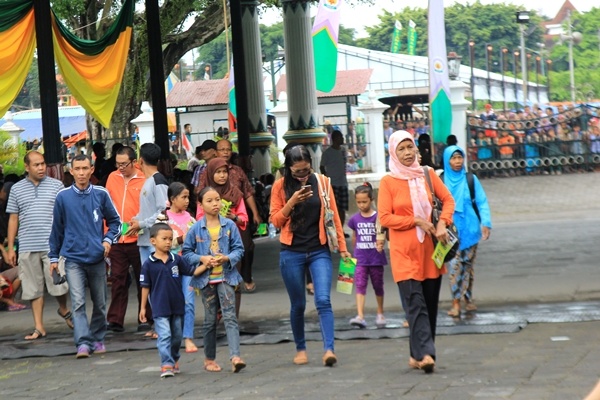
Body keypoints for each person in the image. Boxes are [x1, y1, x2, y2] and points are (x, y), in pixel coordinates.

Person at [378, 131, 455, 373]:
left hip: (431, 252)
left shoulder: (428, 174)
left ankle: (415, 353)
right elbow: (385, 217)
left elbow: (448, 200)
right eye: (401, 149)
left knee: (429, 305)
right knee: (416, 304)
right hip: (404, 254)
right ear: (393, 153)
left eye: (409, 147)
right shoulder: (388, 182)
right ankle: (426, 354)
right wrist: (417, 221)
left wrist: (442, 222)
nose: (407, 153)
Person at [270, 144, 350, 367]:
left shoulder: (322, 182)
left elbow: (333, 217)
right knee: (298, 304)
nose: (303, 176)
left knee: (323, 299)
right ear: (289, 169)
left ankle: (329, 349)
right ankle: (301, 348)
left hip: (319, 250)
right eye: (298, 172)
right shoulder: (279, 186)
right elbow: (275, 220)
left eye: (306, 170)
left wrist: (343, 249)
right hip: (291, 252)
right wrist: (292, 201)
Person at [49, 154, 121, 358]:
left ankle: (97, 338)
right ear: (71, 171)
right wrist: (53, 258)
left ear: (92, 170)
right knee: (78, 302)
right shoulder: (63, 197)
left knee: (100, 302)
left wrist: (107, 240)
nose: (81, 173)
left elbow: (116, 222)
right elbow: (57, 230)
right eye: (77, 169)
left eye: (85, 168)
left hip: (97, 258)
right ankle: (82, 343)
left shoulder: (101, 194)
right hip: (73, 259)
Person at [6, 151, 72, 340]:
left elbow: (64, 215)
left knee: (58, 284)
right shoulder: (17, 189)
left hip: (53, 245)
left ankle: (63, 309)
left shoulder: (57, 186)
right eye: (36, 165)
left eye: (43, 164)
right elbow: (13, 219)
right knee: (33, 288)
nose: (41, 168)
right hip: (27, 244)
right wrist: (11, 248)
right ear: (27, 167)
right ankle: (39, 327)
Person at [183, 186, 246, 373]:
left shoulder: (230, 225)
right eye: (209, 201)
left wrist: (227, 258)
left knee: (230, 317)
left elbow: (239, 250)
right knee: (210, 320)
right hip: (205, 280)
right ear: (200, 204)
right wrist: (202, 259)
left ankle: (235, 357)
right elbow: (186, 253)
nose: (215, 204)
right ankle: (209, 359)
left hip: (226, 277)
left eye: (217, 199)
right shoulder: (195, 229)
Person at [140, 223, 206, 378]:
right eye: (164, 239)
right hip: (159, 307)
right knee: (165, 335)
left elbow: (192, 271)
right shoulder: (148, 264)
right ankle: (166, 364)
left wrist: (206, 264)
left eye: (170, 239)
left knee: (176, 336)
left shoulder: (177, 259)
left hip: (177, 306)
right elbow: (145, 287)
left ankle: (174, 357)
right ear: (153, 241)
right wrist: (143, 308)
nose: (168, 242)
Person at [197, 139, 261, 294]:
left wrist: (254, 213)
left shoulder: (238, 172)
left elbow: (247, 193)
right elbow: (199, 197)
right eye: (222, 149)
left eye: (228, 149)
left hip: (235, 221)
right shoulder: (206, 173)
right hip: (212, 225)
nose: (225, 152)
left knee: (246, 248)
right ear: (215, 152)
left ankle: (242, 279)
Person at [105, 146, 151, 333]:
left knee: (144, 279)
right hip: (116, 237)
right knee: (117, 279)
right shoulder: (112, 177)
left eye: (124, 164)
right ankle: (115, 320)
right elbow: (106, 205)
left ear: (134, 162)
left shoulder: (145, 180)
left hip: (138, 237)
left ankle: (146, 317)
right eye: (118, 164)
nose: (120, 168)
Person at [443, 146, 492, 317]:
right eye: (453, 158)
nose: (457, 162)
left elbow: (482, 202)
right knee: (456, 267)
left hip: (470, 230)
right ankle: (455, 302)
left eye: (459, 158)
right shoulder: (441, 181)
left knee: (468, 267)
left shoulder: (471, 179)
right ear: (447, 160)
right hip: (450, 233)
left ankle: (468, 299)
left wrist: (486, 223)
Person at [196, 157, 248, 315]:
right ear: (211, 174)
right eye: (218, 172)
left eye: (224, 171)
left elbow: (244, 218)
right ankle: (216, 315)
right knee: (212, 282)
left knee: (233, 280)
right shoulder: (204, 195)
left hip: (231, 244)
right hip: (209, 246)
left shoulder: (236, 194)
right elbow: (199, 218)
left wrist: (233, 217)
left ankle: (232, 316)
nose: (222, 175)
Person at [127, 143, 169, 336]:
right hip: (145, 241)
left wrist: (141, 224)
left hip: (154, 241)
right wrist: (137, 220)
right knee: (152, 285)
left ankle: (163, 327)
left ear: (139, 161)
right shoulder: (149, 180)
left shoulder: (158, 180)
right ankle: (159, 326)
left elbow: (163, 212)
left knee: (158, 285)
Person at [162, 182, 197, 353]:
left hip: (188, 265)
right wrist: (185, 238)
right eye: (183, 197)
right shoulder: (163, 218)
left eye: (188, 197)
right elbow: (164, 242)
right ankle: (169, 335)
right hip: (170, 266)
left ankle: (188, 337)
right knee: (170, 302)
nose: (187, 200)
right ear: (172, 199)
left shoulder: (191, 219)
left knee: (188, 301)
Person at [347, 183, 387, 329]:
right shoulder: (354, 219)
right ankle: (360, 315)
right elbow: (354, 237)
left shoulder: (379, 217)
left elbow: (383, 234)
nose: (361, 205)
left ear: (372, 200)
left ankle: (380, 312)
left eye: (364, 201)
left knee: (378, 286)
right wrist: (353, 254)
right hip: (361, 259)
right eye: (358, 202)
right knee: (360, 286)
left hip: (376, 259)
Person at [320, 130, 349, 230]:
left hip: (343, 183)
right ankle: (334, 230)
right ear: (334, 139)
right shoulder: (327, 153)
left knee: (342, 209)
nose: (342, 139)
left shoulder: (343, 151)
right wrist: (327, 179)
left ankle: (340, 229)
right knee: (333, 208)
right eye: (340, 137)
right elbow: (322, 167)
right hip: (333, 184)